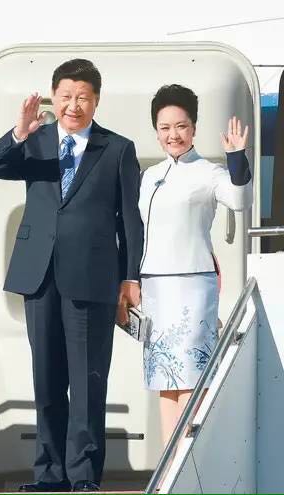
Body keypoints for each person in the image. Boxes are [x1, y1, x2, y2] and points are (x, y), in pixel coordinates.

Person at [0, 59, 143, 492]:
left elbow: (130, 220)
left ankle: (84, 475)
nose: (74, 105)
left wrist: (130, 277)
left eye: (83, 98)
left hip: (92, 277)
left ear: (96, 101)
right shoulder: (35, 141)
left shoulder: (117, 148)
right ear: (55, 97)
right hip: (39, 275)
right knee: (47, 378)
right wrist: (20, 130)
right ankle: (49, 474)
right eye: (66, 97)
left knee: (88, 381)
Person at [136, 84, 253, 448]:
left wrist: (236, 157)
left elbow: (240, 199)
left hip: (191, 285)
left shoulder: (209, 172)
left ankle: (188, 462)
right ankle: (168, 463)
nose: (173, 134)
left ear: (194, 128)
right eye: (165, 127)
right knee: (164, 381)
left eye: (181, 126)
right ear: (156, 130)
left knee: (190, 378)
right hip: (155, 287)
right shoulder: (150, 175)